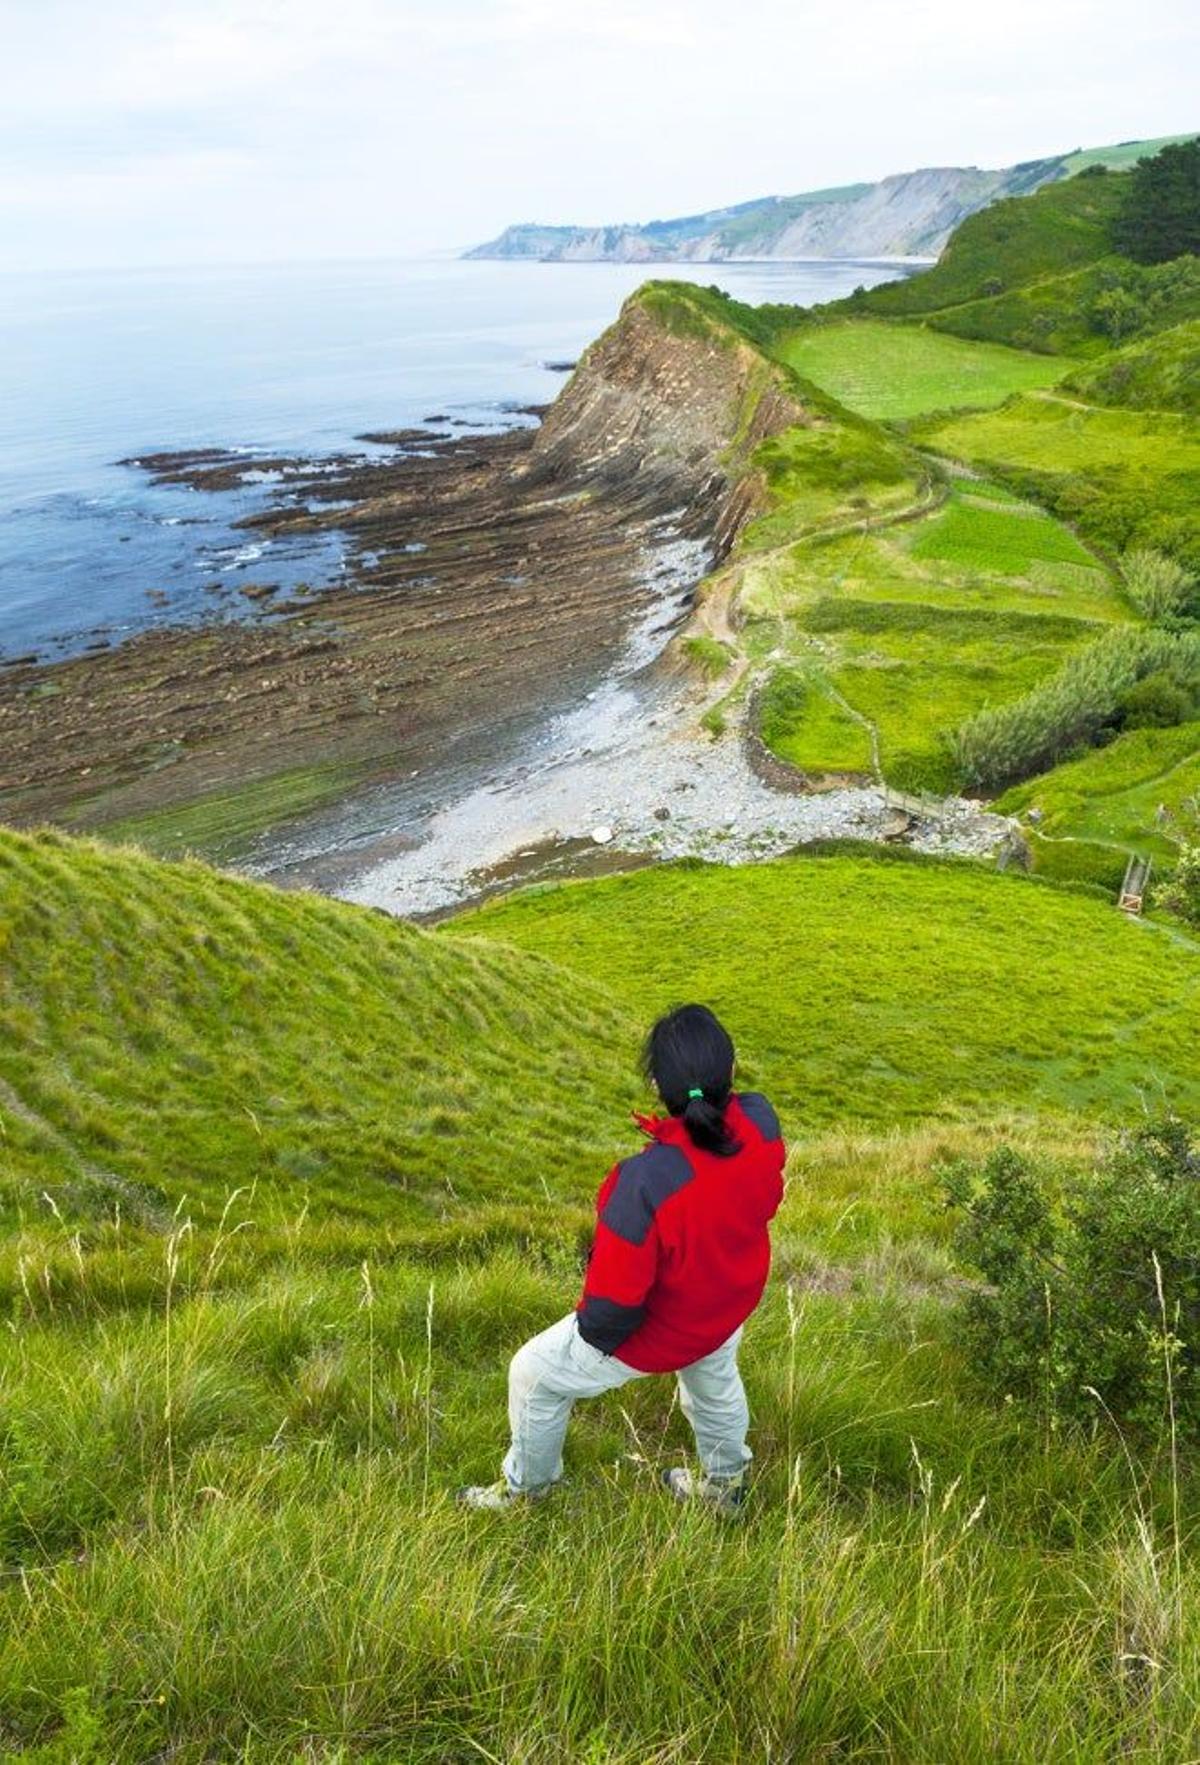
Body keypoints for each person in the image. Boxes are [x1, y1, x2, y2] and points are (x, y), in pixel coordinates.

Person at [457, 1003, 786, 1515]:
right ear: (733, 1067)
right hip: (727, 1301)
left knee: (533, 1374)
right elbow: (767, 1200)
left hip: (666, 1324)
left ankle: (528, 1492)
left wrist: (589, 1344)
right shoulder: (762, 1122)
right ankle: (726, 1489)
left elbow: (612, 1306)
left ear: (656, 1085)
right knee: (714, 1380)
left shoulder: (641, 1184)